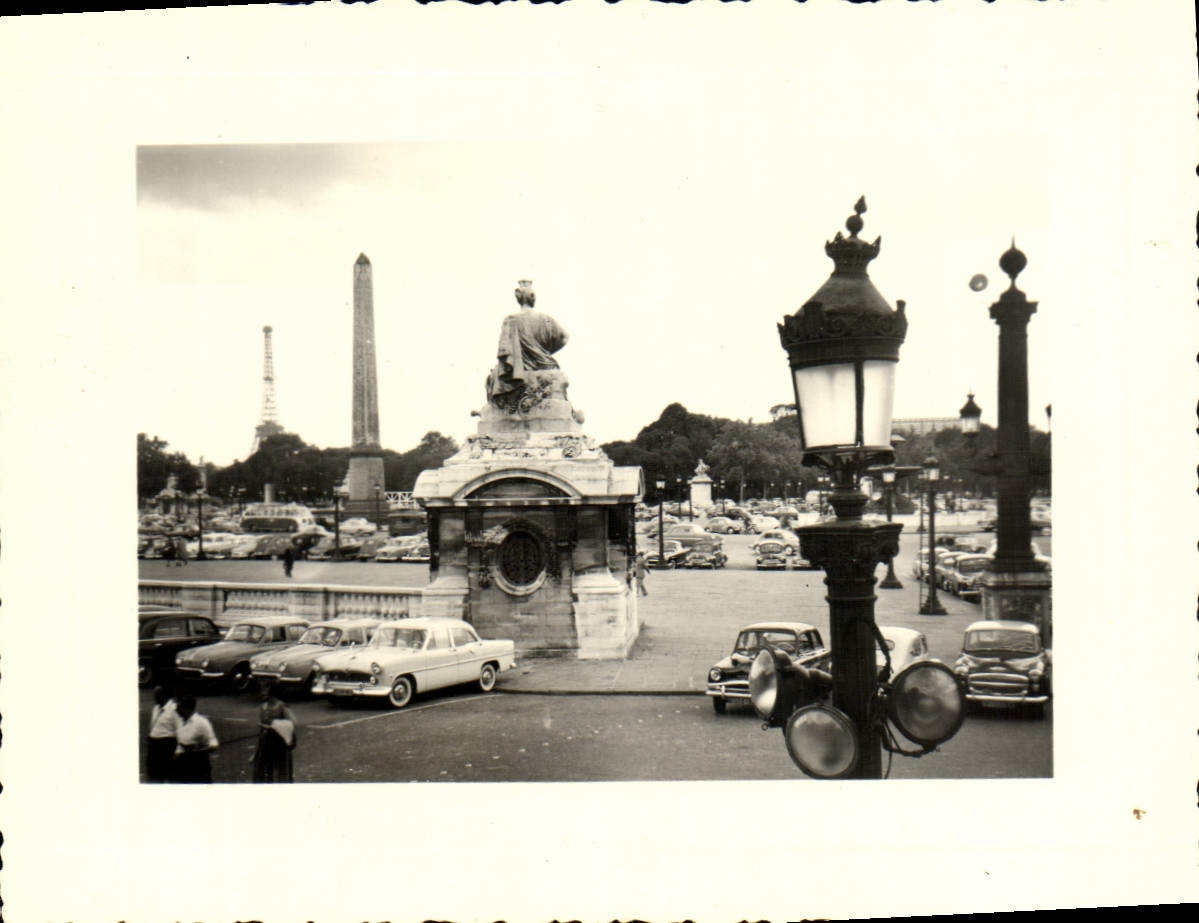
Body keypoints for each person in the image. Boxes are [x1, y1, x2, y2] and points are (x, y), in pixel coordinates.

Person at [485, 279, 569, 407]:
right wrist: (545, 353)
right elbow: (565, 337)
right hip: (545, 364)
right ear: (532, 298)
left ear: (518, 298)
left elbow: (505, 355)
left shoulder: (510, 320)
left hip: (522, 370)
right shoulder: (545, 319)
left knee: (492, 378)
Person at [252, 682, 297, 783]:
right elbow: (261, 732)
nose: (261, 693)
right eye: (261, 690)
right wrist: (256, 752)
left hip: (279, 743)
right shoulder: (263, 707)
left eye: (264, 690)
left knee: (282, 770)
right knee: (265, 771)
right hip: (266, 743)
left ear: (272, 692)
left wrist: (277, 725)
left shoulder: (281, 706)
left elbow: (292, 723)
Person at [172, 695, 218, 783]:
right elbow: (180, 742)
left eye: (178, 707)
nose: (176, 710)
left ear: (186, 708)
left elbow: (213, 744)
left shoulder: (201, 722)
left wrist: (198, 750)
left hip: (197, 764)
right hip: (181, 764)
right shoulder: (179, 722)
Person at [145, 686, 179, 783]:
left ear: (164, 696)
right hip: (154, 745)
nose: (154, 698)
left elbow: (180, 729)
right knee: (154, 776)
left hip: (167, 745)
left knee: (170, 775)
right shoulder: (156, 708)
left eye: (156, 695)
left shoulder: (174, 709)